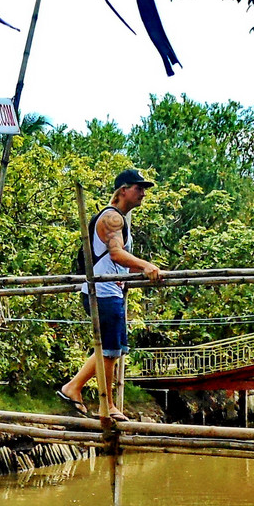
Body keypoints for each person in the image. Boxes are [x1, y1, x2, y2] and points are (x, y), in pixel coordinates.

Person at [58, 168, 163, 419]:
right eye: (139, 188)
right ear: (123, 190)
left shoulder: (119, 218)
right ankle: (107, 405)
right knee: (109, 350)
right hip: (103, 292)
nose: (142, 194)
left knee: (112, 349)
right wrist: (145, 265)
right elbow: (116, 253)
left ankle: (74, 388)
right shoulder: (113, 218)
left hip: (110, 292)